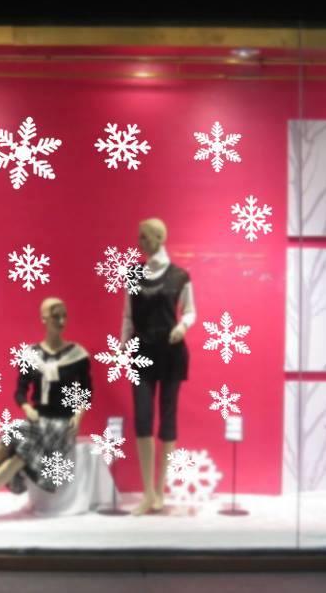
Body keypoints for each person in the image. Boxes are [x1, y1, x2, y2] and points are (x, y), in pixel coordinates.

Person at [0, 297, 93, 526]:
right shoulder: (30, 354)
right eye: (55, 316)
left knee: (23, 449)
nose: (61, 321)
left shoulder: (77, 355)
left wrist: (78, 415)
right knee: (13, 431)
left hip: (61, 425)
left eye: (64, 316)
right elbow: (20, 391)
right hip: (38, 419)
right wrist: (27, 407)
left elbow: (86, 392)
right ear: (44, 319)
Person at [122, 218, 196, 516]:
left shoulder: (180, 276)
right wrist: (122, 344)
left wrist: (183, 326)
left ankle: (161, 490)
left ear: (160, 237)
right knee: (142, 417)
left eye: (145, 236)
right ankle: (148, 492)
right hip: (141, 352)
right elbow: (128, 316)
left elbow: (190, 311)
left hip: (171, 352)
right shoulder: (132, 274)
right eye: (139, 236)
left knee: (167, 416)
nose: (140, 241)